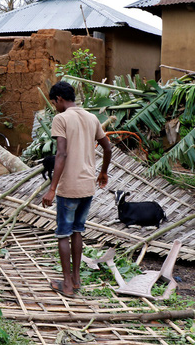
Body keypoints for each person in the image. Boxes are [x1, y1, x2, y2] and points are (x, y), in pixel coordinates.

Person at [41, 81, 112, 298]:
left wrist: (52, 188)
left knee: (63, 233)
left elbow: (60, 154)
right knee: (77, 231)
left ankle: (67, 285)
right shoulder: (92, 118)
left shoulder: (60, 119)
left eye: (54, 103)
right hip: (87, 186)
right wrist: (103, 172)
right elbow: (108, 147)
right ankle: (77, 279)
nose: (54, 107)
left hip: (69, 187)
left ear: (59, 100)